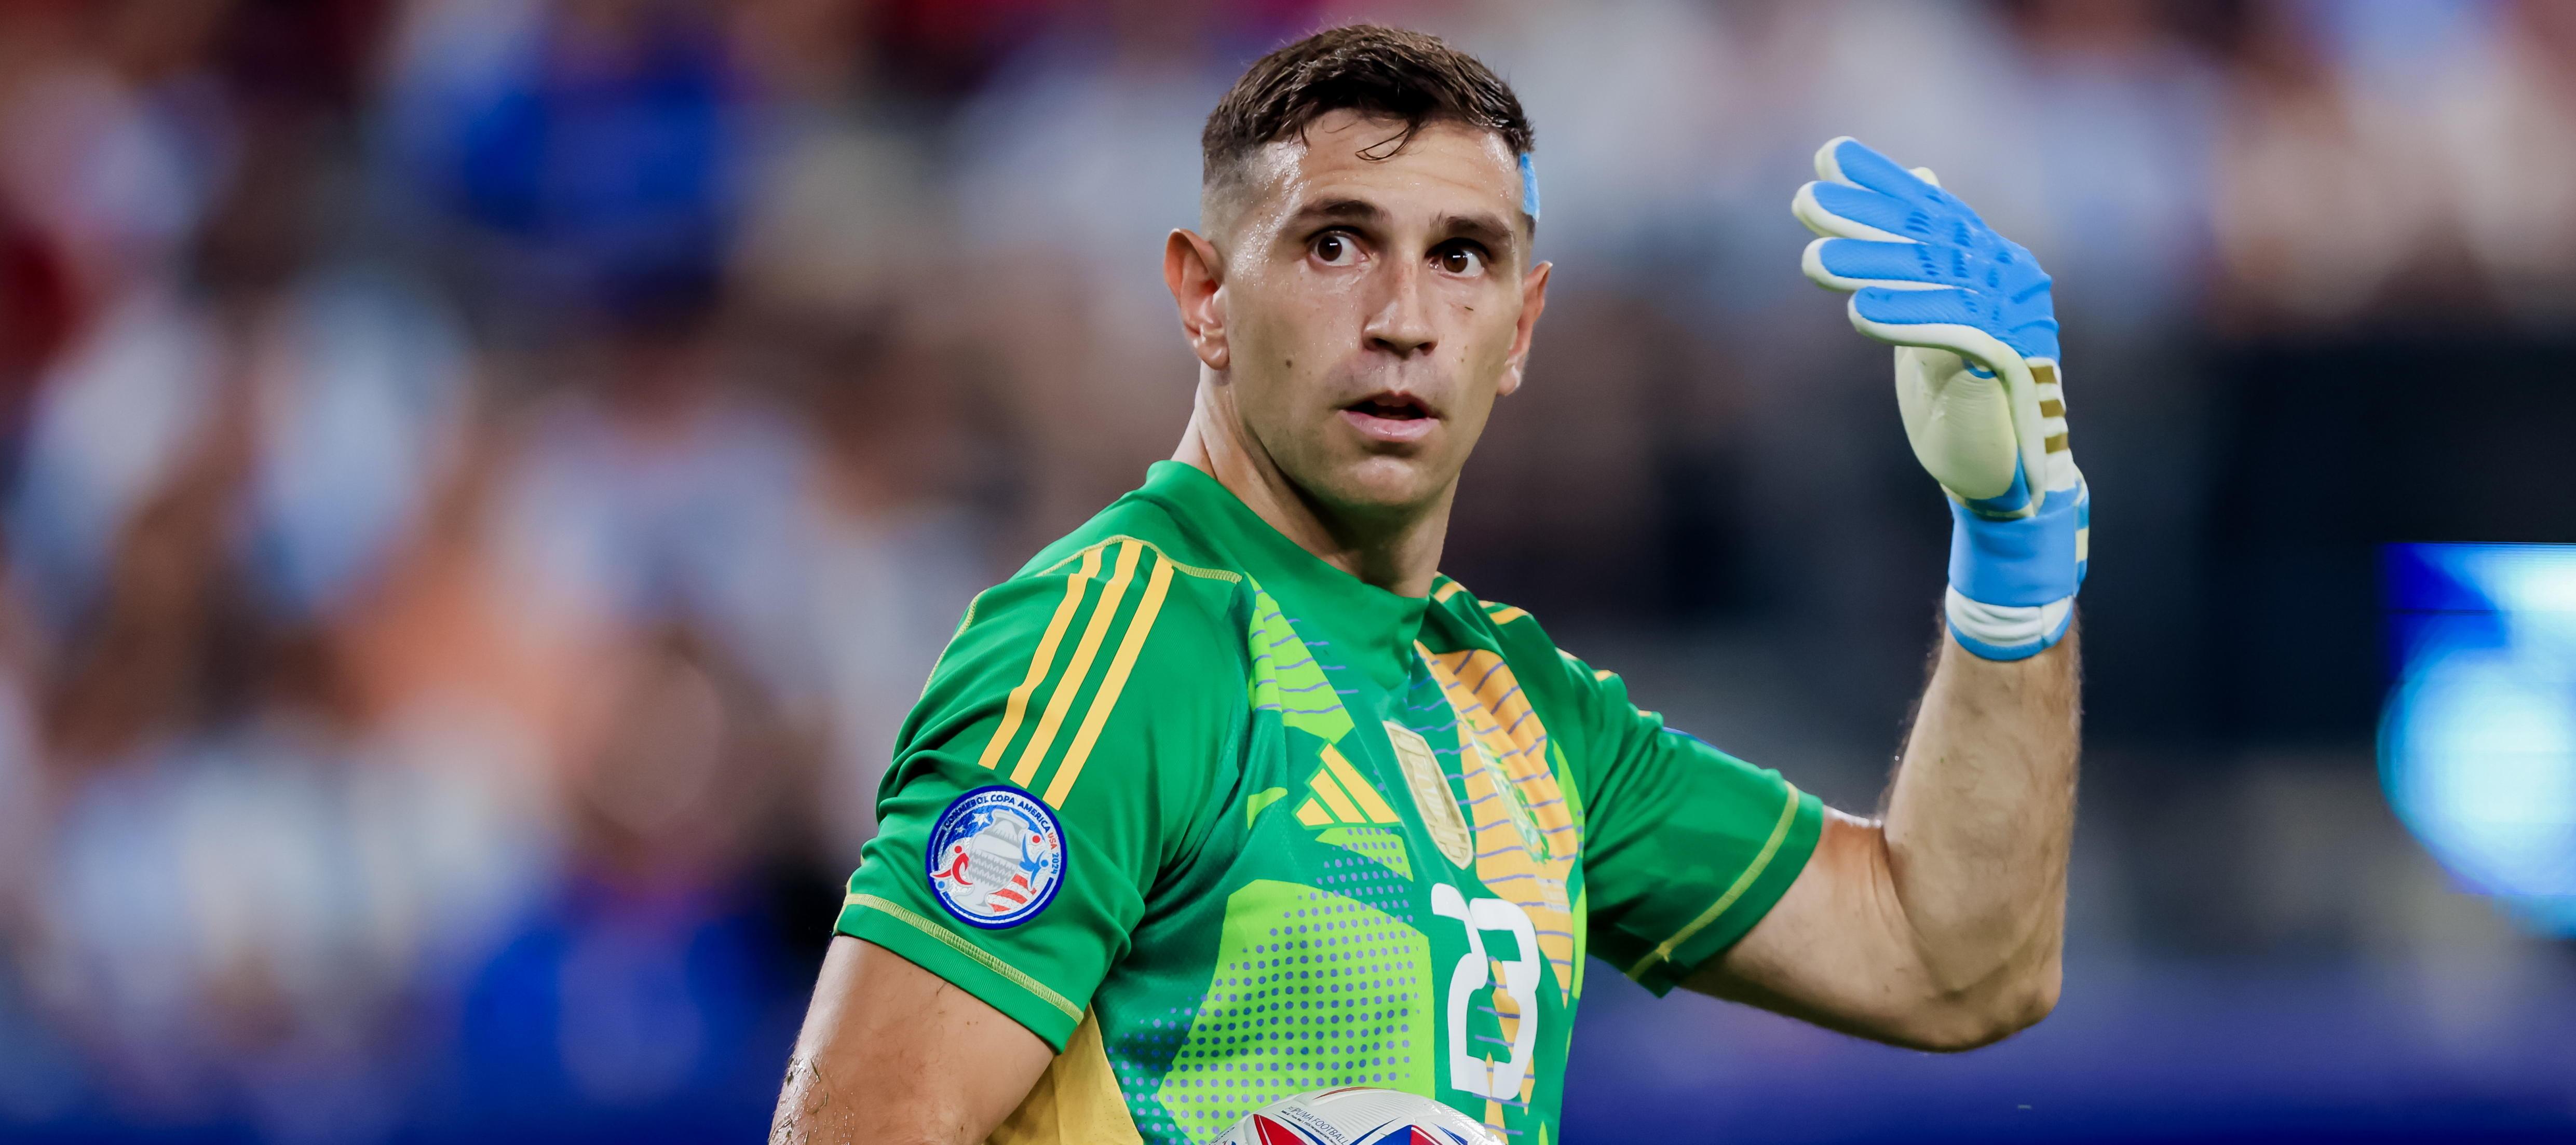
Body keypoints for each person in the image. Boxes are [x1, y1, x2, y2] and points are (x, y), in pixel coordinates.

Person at [771, 24, 2084, 1145]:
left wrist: (2015, 543)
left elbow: (1951, 961)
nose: (1404, 315)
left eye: (1461, 256)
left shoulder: (1529, 713)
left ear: (1521, 326)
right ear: (1206, 295)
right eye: (1336, 245)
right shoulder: (1124, 644)